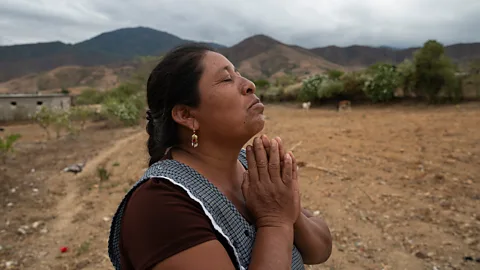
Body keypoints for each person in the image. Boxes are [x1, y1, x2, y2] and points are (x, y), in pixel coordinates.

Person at [107, 43, 332, 270]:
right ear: (186, 115)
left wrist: (287, 210)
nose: (249, 85)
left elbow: (319, 251)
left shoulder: (252, 168)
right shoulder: (159, 206)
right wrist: (275, 222)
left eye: (239, 74)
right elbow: (280, 220)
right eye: (226, 79)